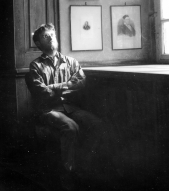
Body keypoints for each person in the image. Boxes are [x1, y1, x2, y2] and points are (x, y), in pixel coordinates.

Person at [28, 23, 111, 190]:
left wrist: (54, 87)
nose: (51, 37)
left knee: (97, 124)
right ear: (38, 44)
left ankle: (84, 167)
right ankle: (67, 172)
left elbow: (80, 83)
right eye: (46, 36)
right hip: (48, 110)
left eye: (52, 34)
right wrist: (66, 86)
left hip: (71, 108)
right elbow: (41, 92)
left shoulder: (71, 62)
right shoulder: (35, 66)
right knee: (70, 127)